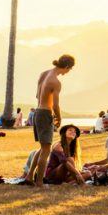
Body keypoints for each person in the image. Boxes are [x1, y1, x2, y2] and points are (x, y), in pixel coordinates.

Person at [25, 54, 76, 187]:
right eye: (69, 69)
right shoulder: (56, 82)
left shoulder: (44, 74)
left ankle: (30, 176)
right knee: (46, 150)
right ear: (66, 66)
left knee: (43, 147)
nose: (67, 72)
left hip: (38, 111)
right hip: (45, 113)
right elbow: (55, 105)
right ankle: (40, 182)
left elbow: (37, 95)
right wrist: (59, 118)